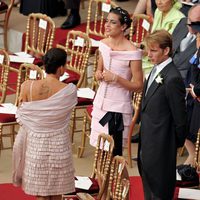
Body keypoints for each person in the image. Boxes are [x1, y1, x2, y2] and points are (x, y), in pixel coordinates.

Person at [12, 48, 77, 200]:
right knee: (56, 193)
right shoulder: (70, 90)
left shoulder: (27, 86)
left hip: (36, 147)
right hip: (59, 146)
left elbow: (22, 112)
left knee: (40, 194)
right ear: (61, 68)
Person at [138, 30, 187, 199]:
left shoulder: (173, 78)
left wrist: (172, 144)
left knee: (159, 193)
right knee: (148, 191)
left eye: (153, 50)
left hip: (162, 146)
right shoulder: (154, 70)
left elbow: (180, 118)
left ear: (166, 51)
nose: (149, 55)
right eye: (148, 50)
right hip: (147, 144)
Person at [89, 7, 143, 156]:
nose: (106, 25)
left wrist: (116, 78)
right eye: (107, 21)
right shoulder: (104, 44)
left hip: (118, 108)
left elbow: (139, 86)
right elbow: (98, 70)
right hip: (100, 104)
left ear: (123, 27)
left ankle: (118, 180)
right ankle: (101, 179)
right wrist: (98, 74)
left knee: (114, 153)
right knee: (100, 150)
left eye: (112, 22)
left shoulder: (133, 52)